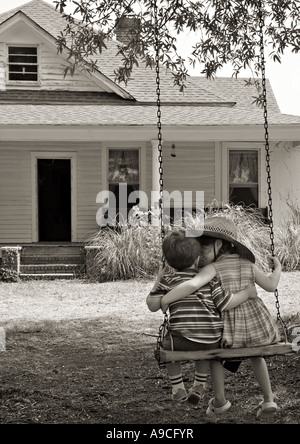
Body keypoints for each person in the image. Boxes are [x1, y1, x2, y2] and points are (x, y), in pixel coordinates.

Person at [160, 217, 281, 419]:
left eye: (204, 251)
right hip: (256, 328)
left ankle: (219, 400)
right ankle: (268, 399)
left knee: (215, 355)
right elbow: (271, 285)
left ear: (218, 245)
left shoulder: (213, 268)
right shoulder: (248, 265)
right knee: (256, 355)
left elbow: (191, 286)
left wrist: (166, 299)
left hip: (229, 329)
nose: (202, 258)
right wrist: (277, 269)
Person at [146, 229, 257, 409]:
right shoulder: (210, 280)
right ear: (197, 259)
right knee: (205, 342)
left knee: (167, 348)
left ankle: (178, 388)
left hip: (180, 341)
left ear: (168, 262)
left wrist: (158, 280)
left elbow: (152, 305)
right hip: (211, 340)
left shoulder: (168, 280)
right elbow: (224, 302)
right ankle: (199, 385)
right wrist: (246, 293)